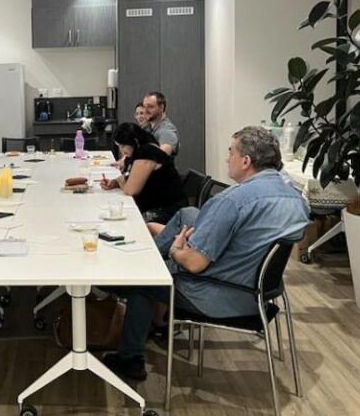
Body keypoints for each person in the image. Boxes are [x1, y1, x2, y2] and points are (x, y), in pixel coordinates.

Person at [103, 126, 309, 381]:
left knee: (147, 278)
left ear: (246, 161)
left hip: (218, 293)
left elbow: (195, 263)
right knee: (188, 215)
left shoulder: (232, 201)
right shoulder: (296, 199)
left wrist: (177, 250)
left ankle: (129, 359)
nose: (226, 158)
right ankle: (152, 257)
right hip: (258, 291)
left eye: (231, 152)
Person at [99, 123, 187, 224]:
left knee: (129, 223)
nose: (121, 151)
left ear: (134, 141)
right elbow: (129, 177)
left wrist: (121, 180)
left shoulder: (146, 153)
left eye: (123, 146)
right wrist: (115, 182)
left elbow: (130, 190)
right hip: (154, 204)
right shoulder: (138, 151)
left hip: (167, 210)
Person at [141, 91, 179, 156]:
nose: (145, 111)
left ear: (161, 108)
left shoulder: (166, 130)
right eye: (144, 107)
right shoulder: (145, 127)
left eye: (150, 107)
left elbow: (162, 157)